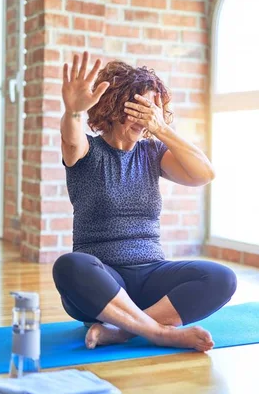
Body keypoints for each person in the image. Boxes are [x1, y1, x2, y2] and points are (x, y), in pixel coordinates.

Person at [52, 52, 237, 352]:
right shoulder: (88, 152)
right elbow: (71, 141)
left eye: (152, 110)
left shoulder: (152, 153)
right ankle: (159, 333)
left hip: (151, 276)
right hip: (102, 284)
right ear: (114, 106)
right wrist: (72, 111)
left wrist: (162, 129)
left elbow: (205, 173)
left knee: (222, 278)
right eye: (140, 108)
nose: (146, 117)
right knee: (69, 266)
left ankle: (121, 331)